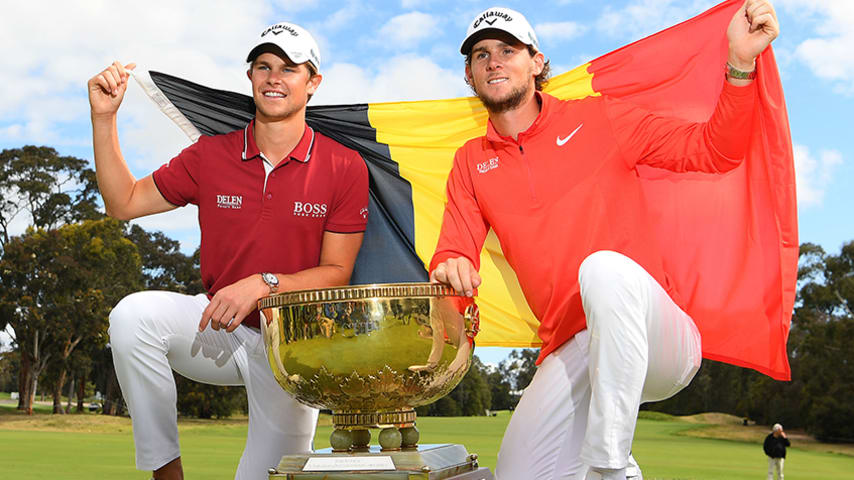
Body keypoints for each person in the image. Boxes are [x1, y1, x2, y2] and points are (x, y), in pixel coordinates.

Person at [428, 2, 779, 479]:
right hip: (574, 347)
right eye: (480, 54)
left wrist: (740, 65)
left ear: (536, 61)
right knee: (516, 475)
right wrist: (451, 267)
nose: (493, 61)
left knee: (602, 270)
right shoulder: (470, 162)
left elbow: (716, 151)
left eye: (508, 49)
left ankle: (609, 466)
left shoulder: (601, 118)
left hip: (659, 340)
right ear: (469, 75)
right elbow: (454, 251)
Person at [87, 22, 369, 480]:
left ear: (312, 82)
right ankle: (167, 473)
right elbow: (124, 202)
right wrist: (104, 118)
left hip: (294, 346)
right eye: (263, 66)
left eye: (289, 69)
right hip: (220, 327)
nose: (274, 77)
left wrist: (264, 284)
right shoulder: (210, 154)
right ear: (251, 76)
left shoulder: (343, 165)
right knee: (132, 317)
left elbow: (336, 271)